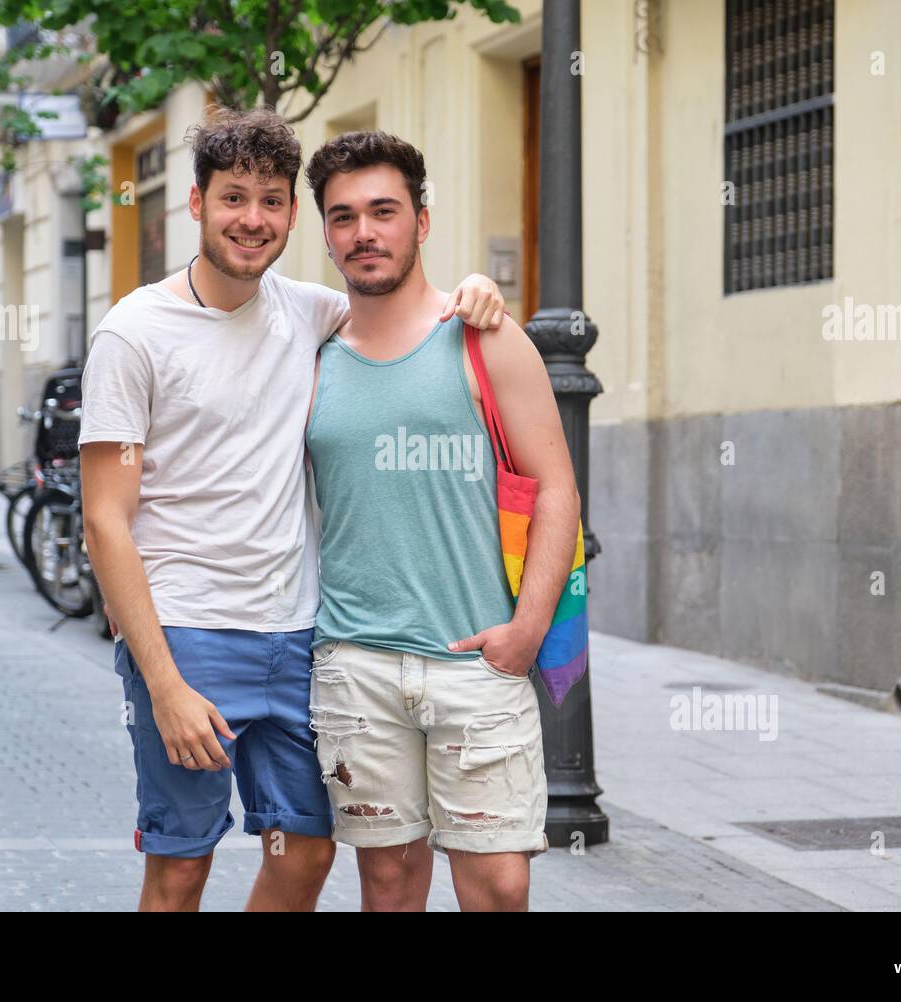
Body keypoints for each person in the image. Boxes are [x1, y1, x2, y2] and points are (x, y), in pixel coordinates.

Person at [79, 108, 505, 912]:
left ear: (290, 215)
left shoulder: (311, 311)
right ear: (196, 203)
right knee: (179, 865)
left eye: (272, 200)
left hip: (300, 638)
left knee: (307, 850)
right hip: (189, 637)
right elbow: (105, 518)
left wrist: (475, 291)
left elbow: (405, 307)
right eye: (234, 197)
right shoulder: (134, 334)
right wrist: (163, 682)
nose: (253, 219)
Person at [303, 130, 581, 911]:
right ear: (324, 233)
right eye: (343, 216)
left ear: (421, 221)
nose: (364, 232)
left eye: (384, 211)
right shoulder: (311, 353)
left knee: (497, 887)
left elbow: (557, 489)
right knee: (387, 886)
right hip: (357, 665)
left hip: (476, 664)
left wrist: (525, 633)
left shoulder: (484, 336)